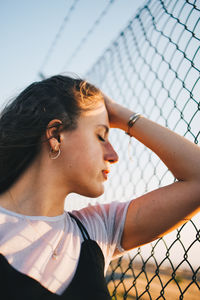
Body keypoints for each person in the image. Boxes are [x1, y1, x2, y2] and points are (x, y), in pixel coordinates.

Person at [0, 75, 199, 300]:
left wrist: (121, 114)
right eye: (101, 136)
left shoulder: (96, 230)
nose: (113, 156)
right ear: (56, 135)